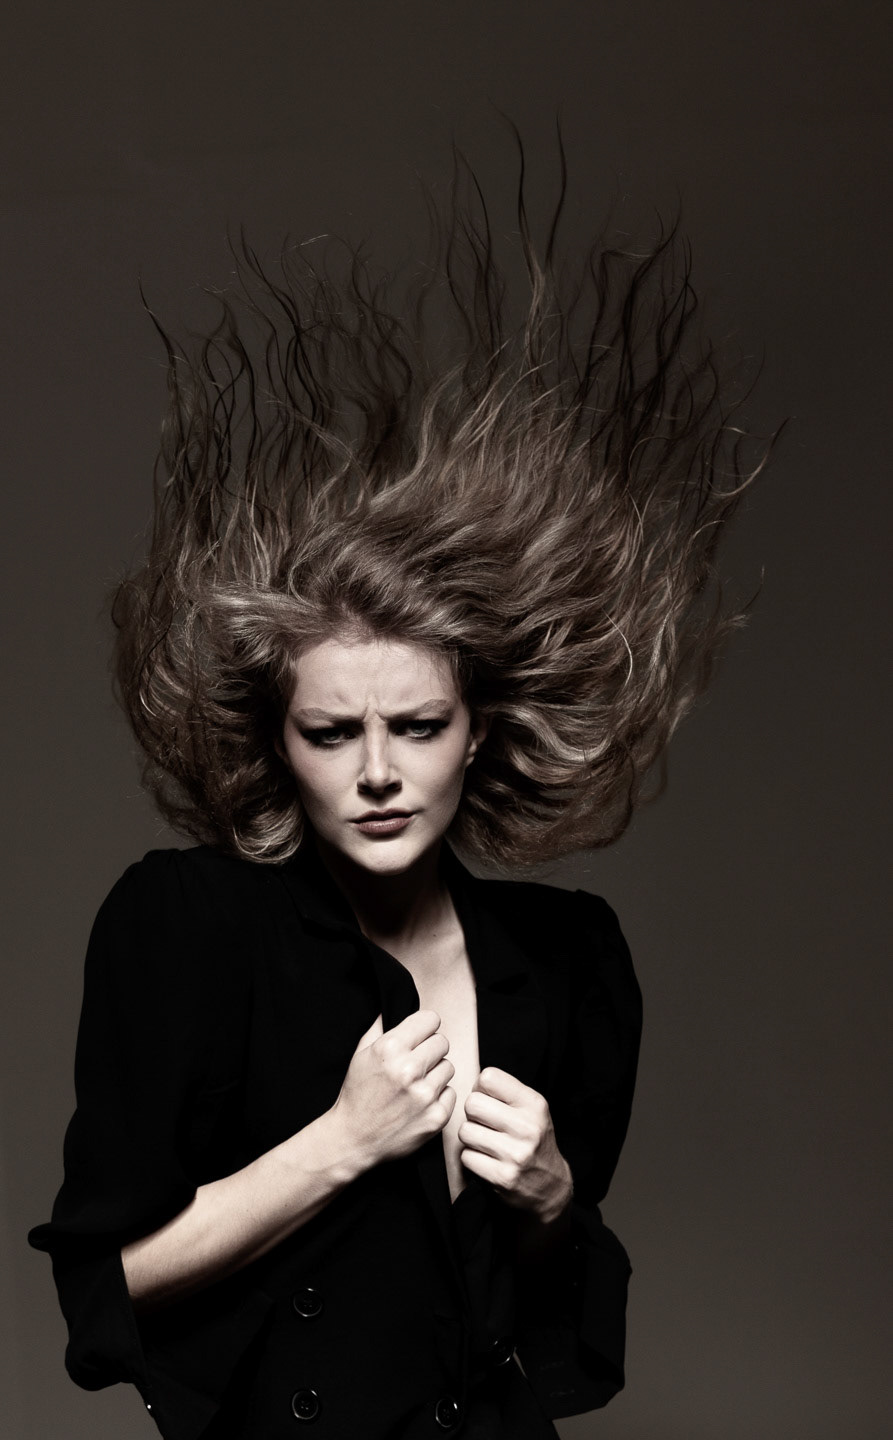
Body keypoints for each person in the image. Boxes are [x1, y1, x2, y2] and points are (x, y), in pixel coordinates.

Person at [29, 156, 769, 1440]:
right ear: (280, 743)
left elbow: (546, 1321)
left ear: (477, 734)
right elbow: (108, 1286)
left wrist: (549, 1196)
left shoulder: (566, 963)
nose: (377, 771)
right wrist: (342, 1141)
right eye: (331, 732)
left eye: (418, 726)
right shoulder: (190, 929)